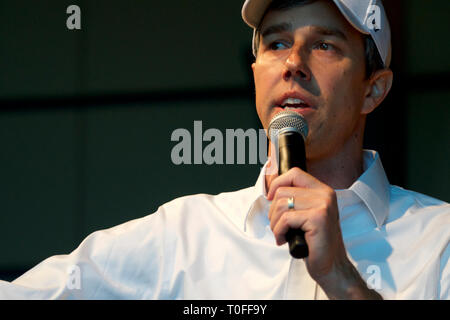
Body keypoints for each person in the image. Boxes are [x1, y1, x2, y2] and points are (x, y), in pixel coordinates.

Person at [0, 0, 448, 300]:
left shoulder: (439, 240)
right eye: (276, 43)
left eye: (325, 44)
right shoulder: (184, 235)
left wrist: (342, 280)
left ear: (374, 89)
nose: (293, 62)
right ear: (255, 74)